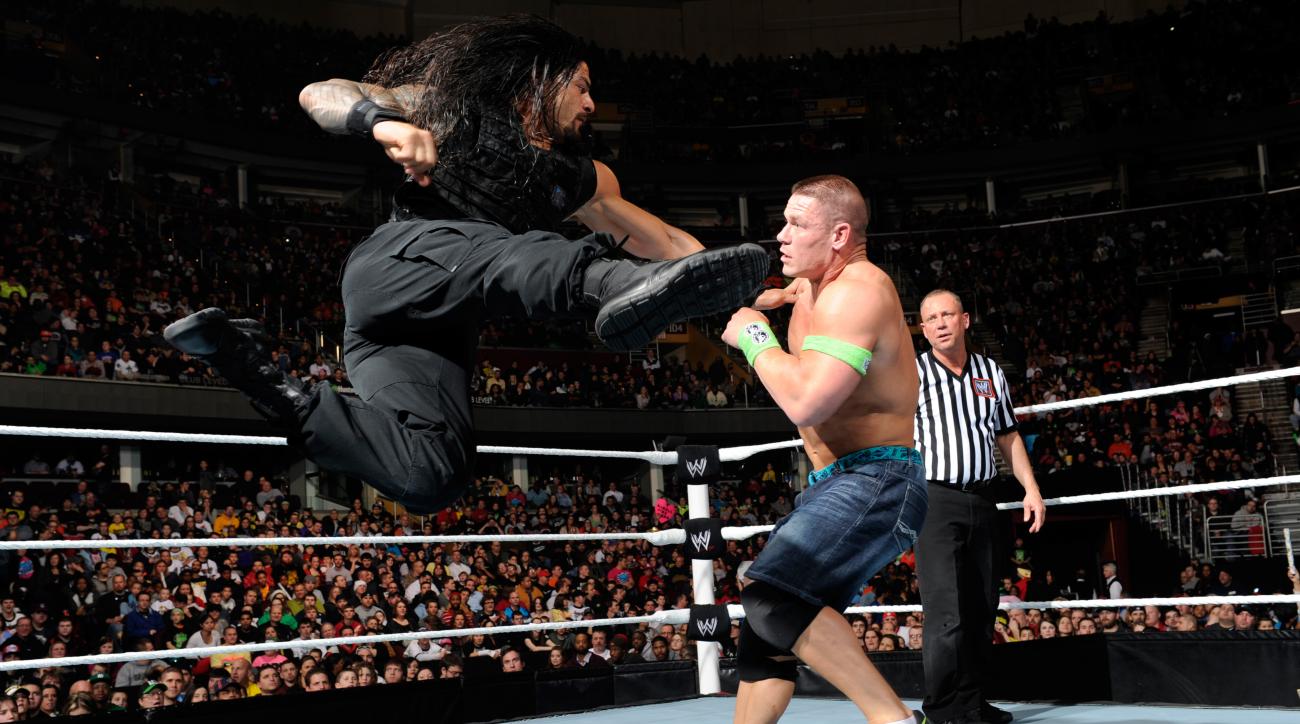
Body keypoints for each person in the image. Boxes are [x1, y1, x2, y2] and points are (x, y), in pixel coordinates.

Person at [165, 14, 767, 515]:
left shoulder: (582, 178)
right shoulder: (457, 111)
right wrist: (382, 122)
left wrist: (734, 288)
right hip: (396, 267)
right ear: (539, 80)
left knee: (432, 475)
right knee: (507, 254)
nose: (591, 103)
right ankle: (612, 285)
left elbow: (665, 241)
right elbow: (319, 93)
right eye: (581, 87)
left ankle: (254, 371)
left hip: (420, 333)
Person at [720, 175, 926, 724]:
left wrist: (755, 336)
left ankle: (896, 720)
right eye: (783, 221)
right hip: (835, 484)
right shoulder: (807, 287)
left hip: (878, 479)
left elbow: (806, 402)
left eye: (797, 224)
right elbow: (746, 296)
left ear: (838, 236)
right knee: (765, 634)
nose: (781, 235)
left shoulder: (858, 291)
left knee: (771, 596)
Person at [912, 288, 1046, 724]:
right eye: (932, 318)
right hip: (936, 500)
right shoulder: (912, 372)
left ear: (965, 319)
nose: (940, 324)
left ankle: (970, 703)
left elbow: (1007, 434)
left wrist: (1031, 488)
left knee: (981, 609)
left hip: (985, 498)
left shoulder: (990, 371)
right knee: (945, 612)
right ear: (923, 328)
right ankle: (941, 709)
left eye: (947, 314)